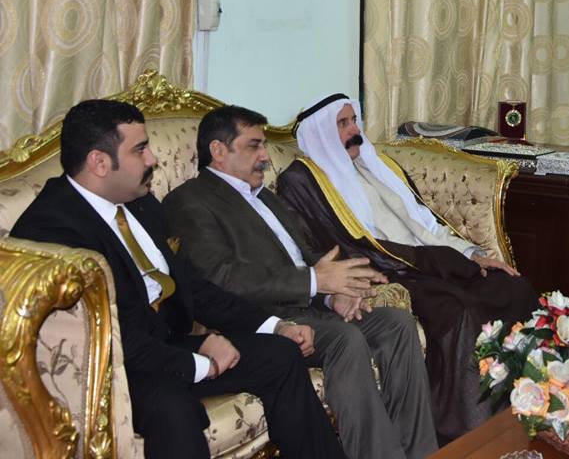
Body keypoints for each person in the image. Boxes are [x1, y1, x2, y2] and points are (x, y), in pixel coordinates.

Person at [10, 100, 344, 459]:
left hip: (167, 344)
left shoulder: (142, 205)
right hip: (113, 367)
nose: (153, 159)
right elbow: (105, 336)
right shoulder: (52, 228)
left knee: (280, 353)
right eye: (140, 149)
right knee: (172, 408)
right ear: (99, 162)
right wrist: (198, 363)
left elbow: (193, 288)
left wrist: (275, 325)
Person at [163, 105, 437, 459]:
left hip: (310, 307)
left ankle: (422, 453)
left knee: (396, 324)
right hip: (259, 320)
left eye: (264, 146)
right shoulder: (190, 201)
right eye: (254, 146)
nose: (265, 156)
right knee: (345, 339)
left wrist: (332, 296)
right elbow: (221, 277)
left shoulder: (265, 197)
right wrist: (314, 281)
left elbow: (305, 260)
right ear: (218, 150)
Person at [276, 93, 539, 443]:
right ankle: (465, 434)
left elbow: (426, 225)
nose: (354, 131)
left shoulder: (376, 165)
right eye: (342, 124)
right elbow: (324, 248)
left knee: (513, 287)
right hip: (392, 272)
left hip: (428, 261)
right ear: (321, 133)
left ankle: (524, 410)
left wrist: (472, 255)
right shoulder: (302, 182)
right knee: (457, 310)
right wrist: (436, 262)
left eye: (354, 121)